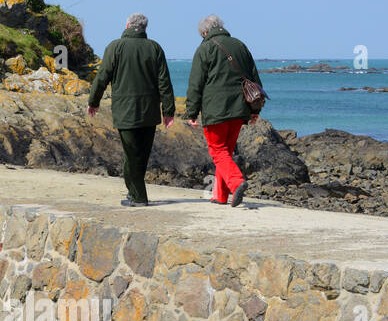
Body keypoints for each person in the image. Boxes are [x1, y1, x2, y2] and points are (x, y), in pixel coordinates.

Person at [87, 13, 175, 207]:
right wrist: (168, 111)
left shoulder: (115, 47)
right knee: (140, 154)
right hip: (150, 111)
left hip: (125, 110)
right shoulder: (155, 48)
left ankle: (138, 197)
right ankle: (133, 192)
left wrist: (94, 101)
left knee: (132, 153)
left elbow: (102, 77)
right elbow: (164, 82)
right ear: (145, 28)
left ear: (127, 25)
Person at [184, 14, 263, 208]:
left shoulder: (205, 48)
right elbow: (254, 79)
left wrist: (191, 112)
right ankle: (220, 195)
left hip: (216, 109)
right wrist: (256, 110)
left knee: (218, 151)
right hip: (240, 108)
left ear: (204, 32)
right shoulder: (240, 45)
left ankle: (236, 183)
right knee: (226, 151)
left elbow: (196, 83)